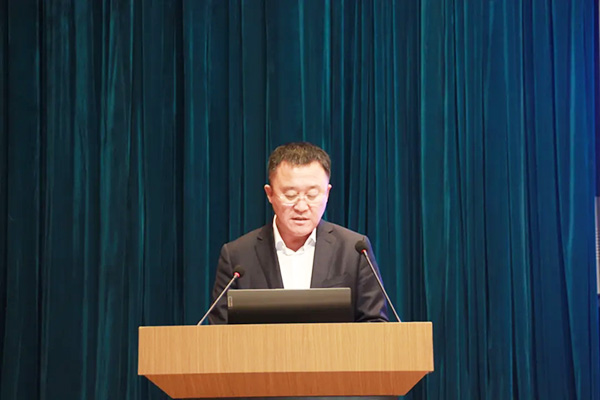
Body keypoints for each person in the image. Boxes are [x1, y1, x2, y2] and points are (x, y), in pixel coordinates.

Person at [208, 142, 388, 324]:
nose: (301, 207)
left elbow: (375, 324)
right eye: (290, 195)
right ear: (269, 194)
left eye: (312, 195)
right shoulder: (237, 257)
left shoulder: (354, 250)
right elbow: (219, 332)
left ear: (327, 193)